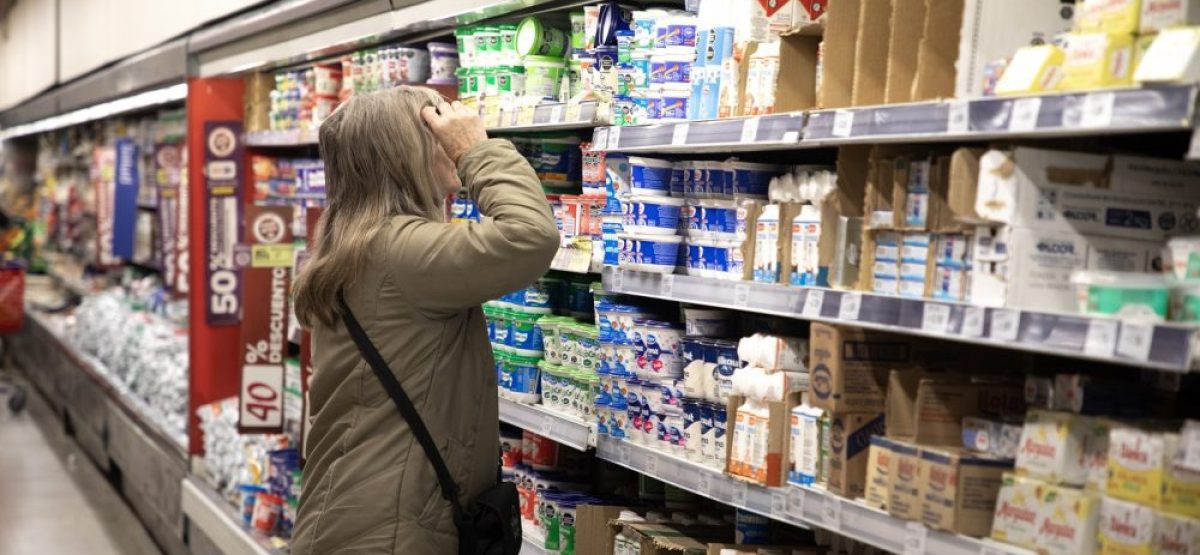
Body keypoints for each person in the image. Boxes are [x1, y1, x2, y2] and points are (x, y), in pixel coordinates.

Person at [291, 86, 559, 554]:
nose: (448, 141)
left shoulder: (358, 242)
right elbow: (530, 236)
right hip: (390, 527)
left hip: (359, 510)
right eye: (436, 129)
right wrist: (476, 149)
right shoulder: (402, 250)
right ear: (408, 153)